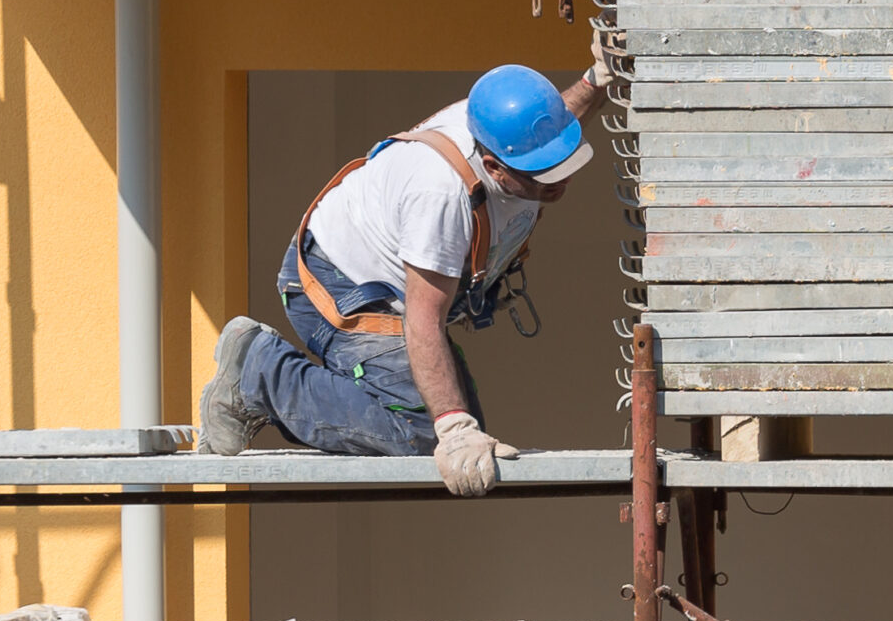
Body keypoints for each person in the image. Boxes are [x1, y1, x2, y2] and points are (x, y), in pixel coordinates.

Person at [196, 57, 605, 495]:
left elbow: (547, 127)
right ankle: (260, 371)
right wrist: (452, 428)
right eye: (542, 175)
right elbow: (423, 318)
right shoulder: (442, 196)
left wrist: (597, 78)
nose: (559, 180)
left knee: (461, 430)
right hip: (338, 286)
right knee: (421, 435)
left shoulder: (503, 125)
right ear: (493, 164)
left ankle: (270, 374)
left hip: (383, 279)